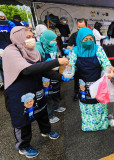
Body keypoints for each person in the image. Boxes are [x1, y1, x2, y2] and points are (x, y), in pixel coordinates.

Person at [2, 26, 70, 158]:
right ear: (18, 37)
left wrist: (61, 77)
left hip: (35, 88)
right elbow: (27, 70)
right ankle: (24, 146)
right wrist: (57, 61)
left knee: (42, 111)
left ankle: (46, 131)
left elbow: (43, 70)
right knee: (23, 120)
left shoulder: (33, 51)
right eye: (27, 37)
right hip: (18, 93)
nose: (31, 39)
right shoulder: (10, 52)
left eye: (32, 36)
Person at [69, 27, 111, 131]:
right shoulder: (75, 50)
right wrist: (68, 72)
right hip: (82, 83)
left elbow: (106, 63)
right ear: (80, 39)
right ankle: (88, 126)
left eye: (90, 39)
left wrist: (107, 71)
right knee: (86, 104)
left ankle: (102, 124)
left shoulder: (98, 49)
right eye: (85, 39)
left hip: (97, 82)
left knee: (99, 104)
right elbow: (71, 65)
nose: (89, 41)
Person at [35, 29, 66, 123]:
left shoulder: (52, 47)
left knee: (56, 92)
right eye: (52, 40)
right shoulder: (39, 49)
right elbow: (40, 65)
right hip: (46, 76)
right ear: (46, 39)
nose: (55, 42)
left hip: (54, 73)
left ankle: (56, 107)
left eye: (55, 40)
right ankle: (50, 115)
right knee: (48, 96)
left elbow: (56, 58)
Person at [67, 18, 87, 101]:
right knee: (77, 77)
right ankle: (76, 93)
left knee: (87, 76)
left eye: (82, 27)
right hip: (77, 59)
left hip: (87, 59)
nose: (80, 29)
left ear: (86, 26)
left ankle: (86, 91)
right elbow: (69, 46)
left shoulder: (89, 34)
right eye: (78, 27)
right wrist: (69, 50)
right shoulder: (74, 35)